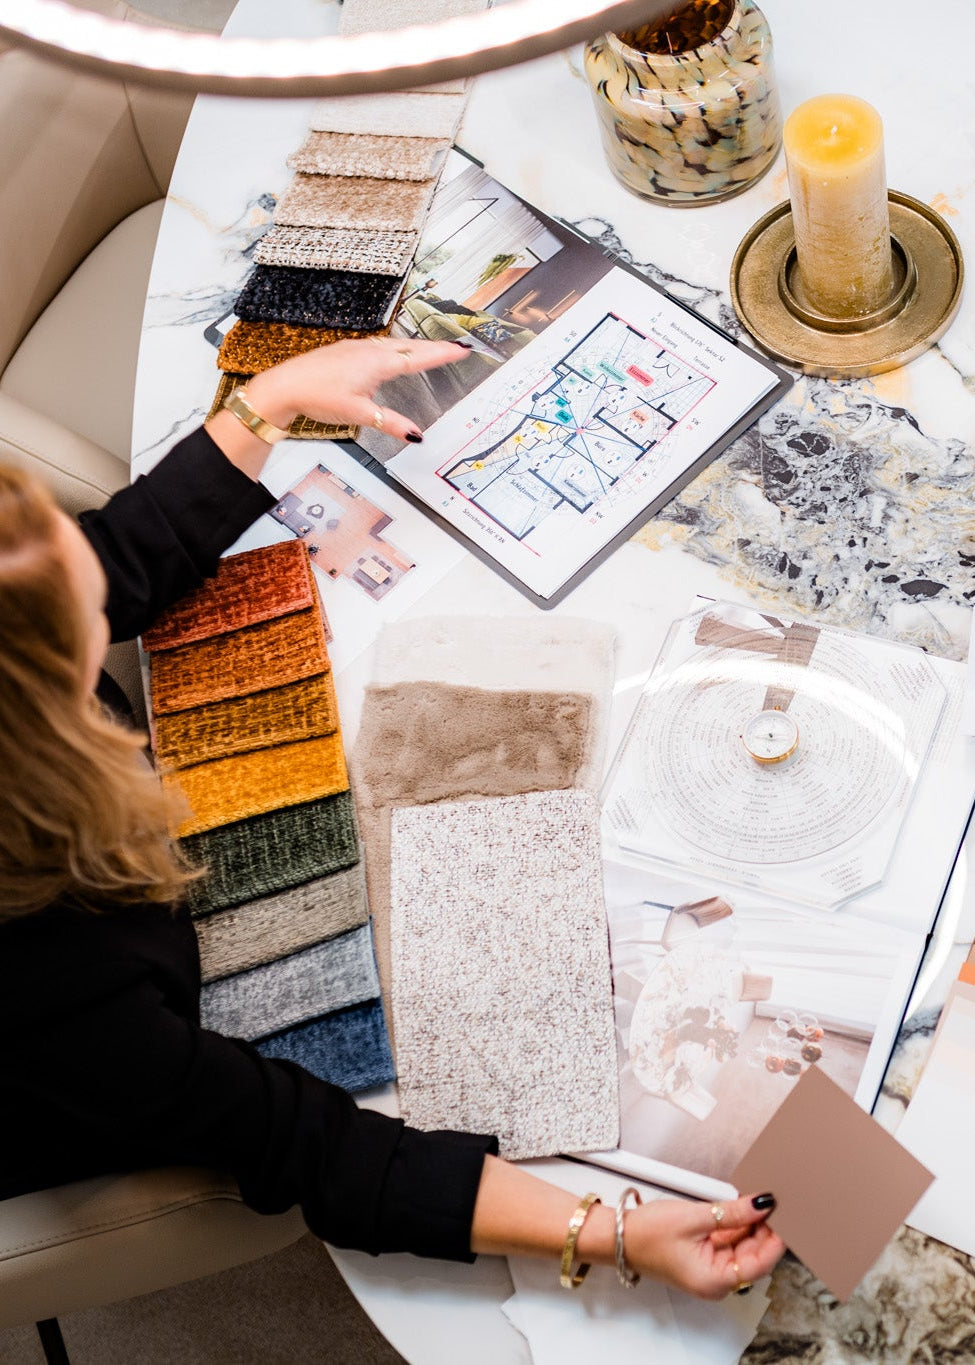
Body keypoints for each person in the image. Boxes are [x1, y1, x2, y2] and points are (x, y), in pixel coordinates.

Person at [0, 336, 784, 1301]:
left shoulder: (24, 677)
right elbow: (303, 1142)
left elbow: (110, 560)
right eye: (77, 619)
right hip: (98, 1073)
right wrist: (610, 1231)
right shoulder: (55, 991)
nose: (92, 573)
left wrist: (267, 401)